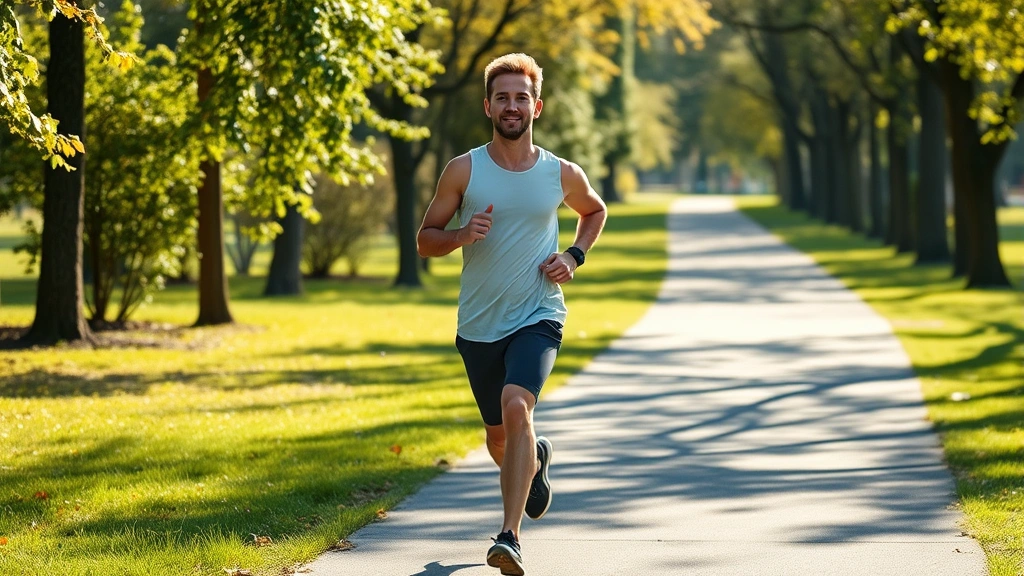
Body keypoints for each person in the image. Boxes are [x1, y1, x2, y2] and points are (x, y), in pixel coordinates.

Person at [416, 53, 607, 575]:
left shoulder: (559, 173)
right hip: (478, 324)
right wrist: (459, 234)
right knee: (499, 437)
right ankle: (536, 460)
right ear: (488, 106)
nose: (512, 105)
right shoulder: (465, 170)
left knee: (517, 404)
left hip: (538, 313)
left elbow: (595, 211)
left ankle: (509, 536)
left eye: (521, 96)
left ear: (536, 106)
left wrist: (573, 255)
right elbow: (424, 240)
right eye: (502, 96)